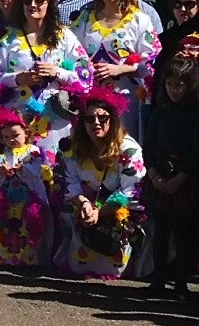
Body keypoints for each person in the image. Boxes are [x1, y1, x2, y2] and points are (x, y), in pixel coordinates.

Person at [0, 0, 93, 153]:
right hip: (15, 124)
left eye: (39, 1)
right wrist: (16, 79)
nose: (33, 5)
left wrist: (57, 72)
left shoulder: (64, 36)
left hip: (55, 122)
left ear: (49, 4)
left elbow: (86, 75)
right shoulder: (6, 38)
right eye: (27, 1)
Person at [57, 86, 148, 280]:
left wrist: (99, 212)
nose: (96, 123)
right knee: (66, 209)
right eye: (89, 119)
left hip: (118, 207)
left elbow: (130, 191)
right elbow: (69, 182)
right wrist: (84, 204)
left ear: (112, 120)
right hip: (88, 203)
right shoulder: (72, 147)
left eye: (102, 118)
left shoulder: (129, 149)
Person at [142, 56, 199, 299]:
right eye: (170, 84)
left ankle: (181, 282)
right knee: (160, 231)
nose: (174, 90)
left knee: (183, 233)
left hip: (184, 177)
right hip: (160, 173)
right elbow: (148, 145)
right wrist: (153, 174)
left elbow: (198, 152)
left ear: (190, 85)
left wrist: (179, 178)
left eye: (180, 85)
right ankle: (158, 279)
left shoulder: (198, 115)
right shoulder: (161, 111)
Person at [70, 0, 160, 134]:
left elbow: (152, 60)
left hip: (126, 101)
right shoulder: (85, 19)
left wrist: (121, 69)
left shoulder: (140, 20)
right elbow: (69, 53)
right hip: (91, 101)